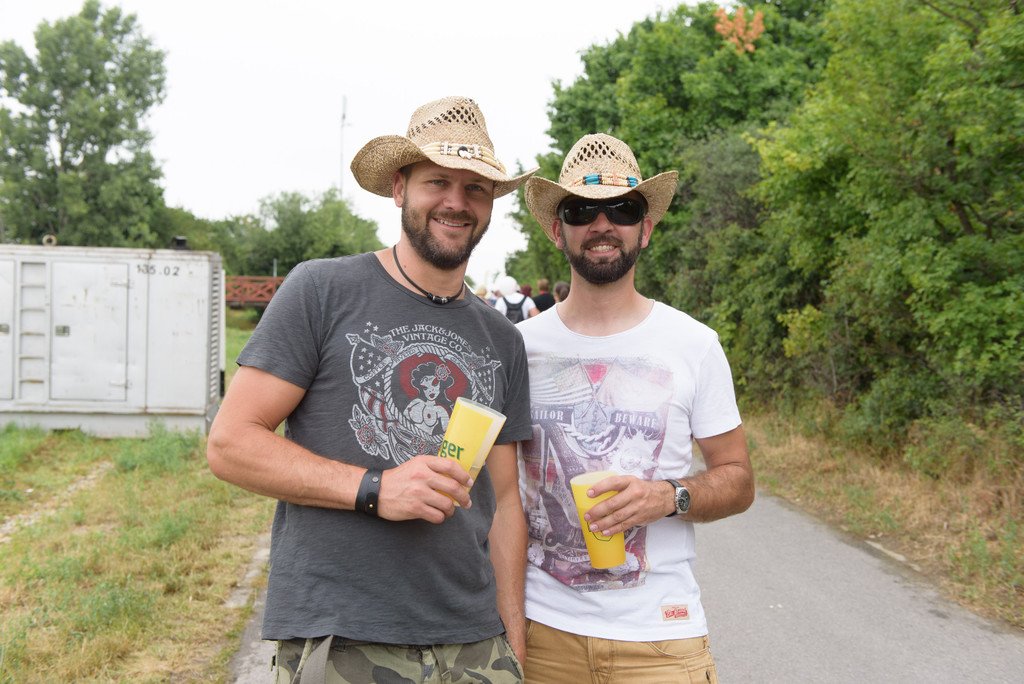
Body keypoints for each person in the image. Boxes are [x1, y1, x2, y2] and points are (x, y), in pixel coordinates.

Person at [207, 96, 537, 683]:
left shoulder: (502, 339)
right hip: (343, 638)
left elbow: (506, 502)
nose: (456, 202)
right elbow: (231, 444)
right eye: (437, 182)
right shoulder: (322, 290)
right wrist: (375, 489)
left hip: (473, 646)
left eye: (475, 188)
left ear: (490, 204)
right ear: (399, 187)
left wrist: (513, 641)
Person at [516, 133, 755, 683]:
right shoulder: (520, 347)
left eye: (622, 209)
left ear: (645, 229)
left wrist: (667, 497)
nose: (603, 224)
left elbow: (738, 479)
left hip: (662, 640)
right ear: (557, 230)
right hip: (542, 633)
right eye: (581, 210)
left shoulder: (694, 345)